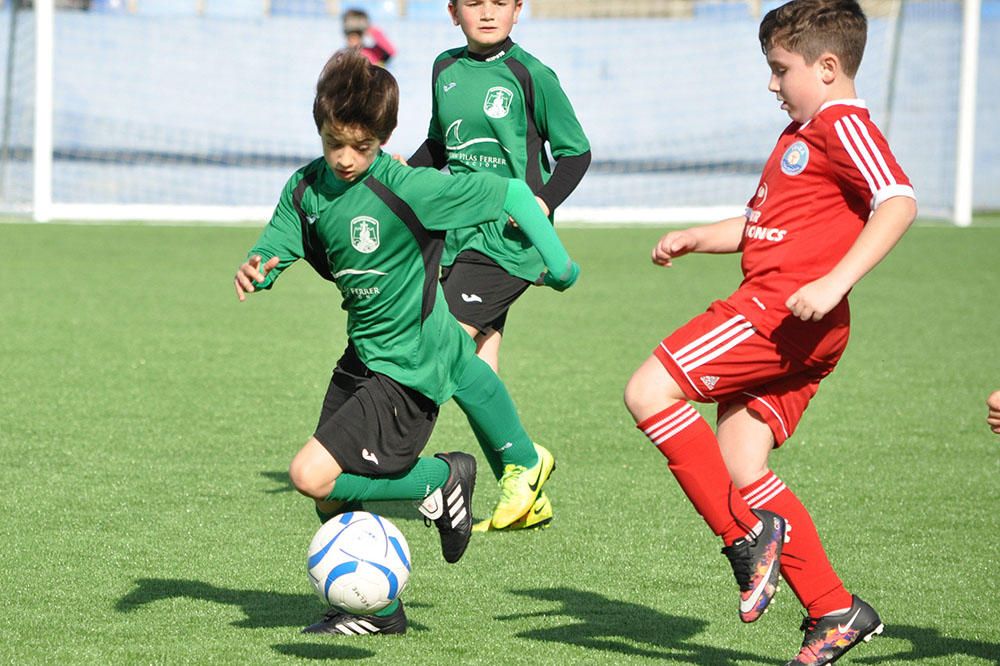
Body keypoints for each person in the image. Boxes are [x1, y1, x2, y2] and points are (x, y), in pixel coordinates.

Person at [233, 49, 578, 636]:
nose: (345, 159)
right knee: (330, 501)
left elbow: (514, 195)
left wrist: (561, 266)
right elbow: (278, 241)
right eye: (334, 143)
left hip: (409, 368)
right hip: (362, 355)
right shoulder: (305, 189)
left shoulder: (413, 187)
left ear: (384, 138)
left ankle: (441, 480)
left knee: (310, 474)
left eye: (360, 147)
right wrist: (259, 266)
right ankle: (381, 612)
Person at [623, 0, 917, 663]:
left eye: (781, 70)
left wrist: (835, 280)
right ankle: (835, 609)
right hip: (798, 322)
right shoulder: (801, 134)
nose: (772, 84)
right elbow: (766, 227)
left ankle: (743, 538)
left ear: (829, 66)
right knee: (740, 464)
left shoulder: (843, 125)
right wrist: (704, 237)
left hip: (781, 313)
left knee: (648, 391)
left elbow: (898, 200)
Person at [405, 0, 591, 532]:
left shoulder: (531, 75)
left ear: (517, 9)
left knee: (441, 342)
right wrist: (396, 176)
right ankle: (523, 487)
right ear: (453, 11)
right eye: (473, 3)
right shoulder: (443, 68)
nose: (487, 13)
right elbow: (441, 147)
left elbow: (575, 153)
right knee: (477, 367)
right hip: (458, 234)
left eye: (500, 2)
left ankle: (524, 462)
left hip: (508, 240)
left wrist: (545, 202)